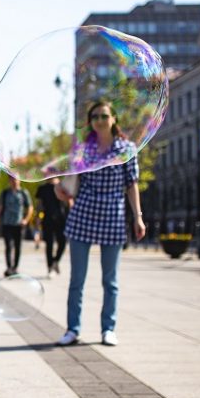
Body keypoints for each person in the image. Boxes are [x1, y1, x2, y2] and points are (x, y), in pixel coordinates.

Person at [55, 101, 146, 348]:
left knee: (111, 281)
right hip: (83, 214)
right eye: (94, 116)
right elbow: (71, 184)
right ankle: (73, 329)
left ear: (113, 119)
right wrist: (62, 191)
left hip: (113, 215)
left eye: (103, 115)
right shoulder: (84, 150)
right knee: (77, 280)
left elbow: (132, 184)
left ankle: (108, 329)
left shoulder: (126, 148)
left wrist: (137, 216)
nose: (99, 120)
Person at [0, 176, 34, 277]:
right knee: (8, 246)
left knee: (18, 247)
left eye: (16, 179)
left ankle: (15, 267)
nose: (14, 181)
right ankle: (9, 267)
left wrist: (26, 219)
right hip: (7, 223)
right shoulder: (5, 193)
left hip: (19, 224)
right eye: (12, 179)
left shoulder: (23, 193)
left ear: (19, 180)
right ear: (9, 181)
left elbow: (30, 207)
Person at [36, 177, 68, 278]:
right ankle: (50, 267)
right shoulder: (43, 188)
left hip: (61, 218)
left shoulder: (62, 186)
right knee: (49, 244)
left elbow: (68, 202)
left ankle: (55, 261)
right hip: (47, 218)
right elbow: (39, 205)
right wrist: (37, 218)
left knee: (62, 242)